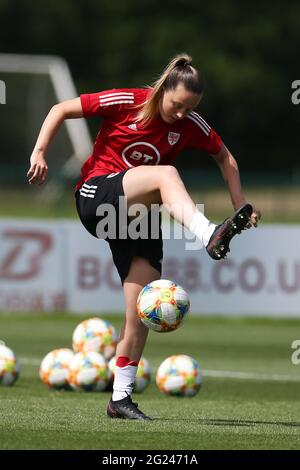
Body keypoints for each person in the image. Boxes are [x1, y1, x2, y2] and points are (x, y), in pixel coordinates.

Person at [27, 53, 261, 420]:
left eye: (191, 108)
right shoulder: (129, 101)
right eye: (178, 105)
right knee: (166, 173)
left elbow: (226, 159)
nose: (183, 114)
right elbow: (61, 108)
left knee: (140, 309)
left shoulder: (190, 123)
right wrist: (40, 150)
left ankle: (120, 398)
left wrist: (240, 203)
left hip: (138, 216)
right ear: (164, 89)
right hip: (96, 196)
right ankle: (207, 235)